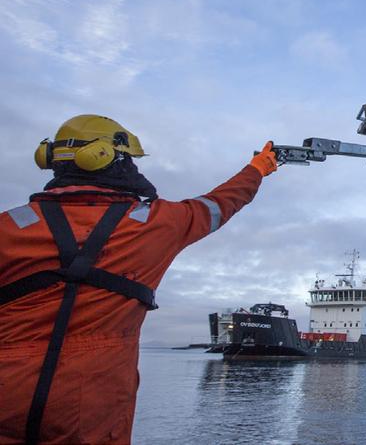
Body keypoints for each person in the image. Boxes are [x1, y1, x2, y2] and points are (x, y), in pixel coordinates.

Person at [0, 115, 279, 444]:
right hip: (90, 399)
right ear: (107, 157)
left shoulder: (8, 227)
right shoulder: (155, 224)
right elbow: (219, 203)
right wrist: (258, 168)